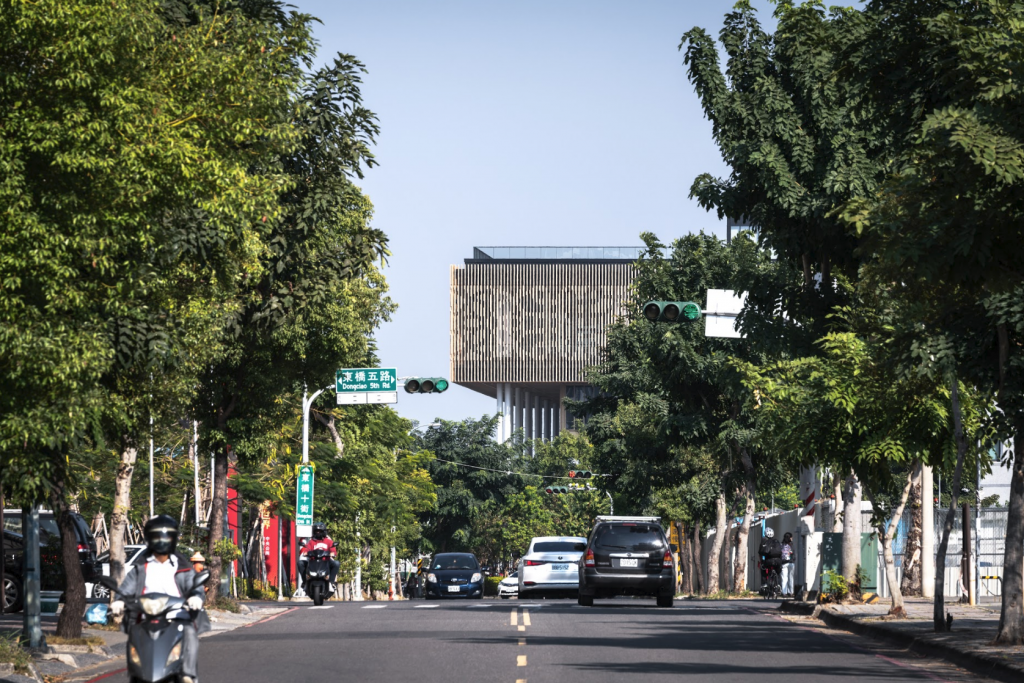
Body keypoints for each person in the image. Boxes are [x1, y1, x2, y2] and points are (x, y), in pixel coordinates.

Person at [110, 515, 209, 683]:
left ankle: (187, 674)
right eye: (157, 536)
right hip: (145, 616)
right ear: (149, 538)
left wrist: (196, 597)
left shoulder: (182, 566)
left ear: (174, 539)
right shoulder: (141, 567)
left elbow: (195, 587)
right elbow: (126, 588)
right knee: (134, 634)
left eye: (167, 536)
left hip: (177, 616)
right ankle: (136, 672)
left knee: (190, 632)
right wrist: (119, 601)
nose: (162, 540)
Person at [298, 522, 339, 593]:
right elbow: (306, 550)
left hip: (326, 561)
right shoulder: (311, 542)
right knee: (300, 563)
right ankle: (305, 582)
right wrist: (306, 552)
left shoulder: (329, 541)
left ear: (324, 532)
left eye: (320, 531)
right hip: (313, 561)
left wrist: (332, 554)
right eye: (316, 531)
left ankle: (331, 582)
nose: (318, 533)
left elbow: (333, 551)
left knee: (336, 563)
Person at [758, 527, 783, 594]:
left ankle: (765, 584)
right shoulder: (777, 541)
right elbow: (781, 552)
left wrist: (761, 562)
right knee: (778, 571)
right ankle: (778, 584)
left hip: (768, 561)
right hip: (778, 561)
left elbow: (760, 553)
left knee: (763, 569)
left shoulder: (764, 541)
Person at [780, 532, 795, 597]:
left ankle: (784, 592)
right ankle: (791, 592)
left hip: (783, 563)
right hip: (791, 563)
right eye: (791, 537)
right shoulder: (791, 545)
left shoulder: (781, 545)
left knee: (784, 578)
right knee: (791, 578)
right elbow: (794, 553)